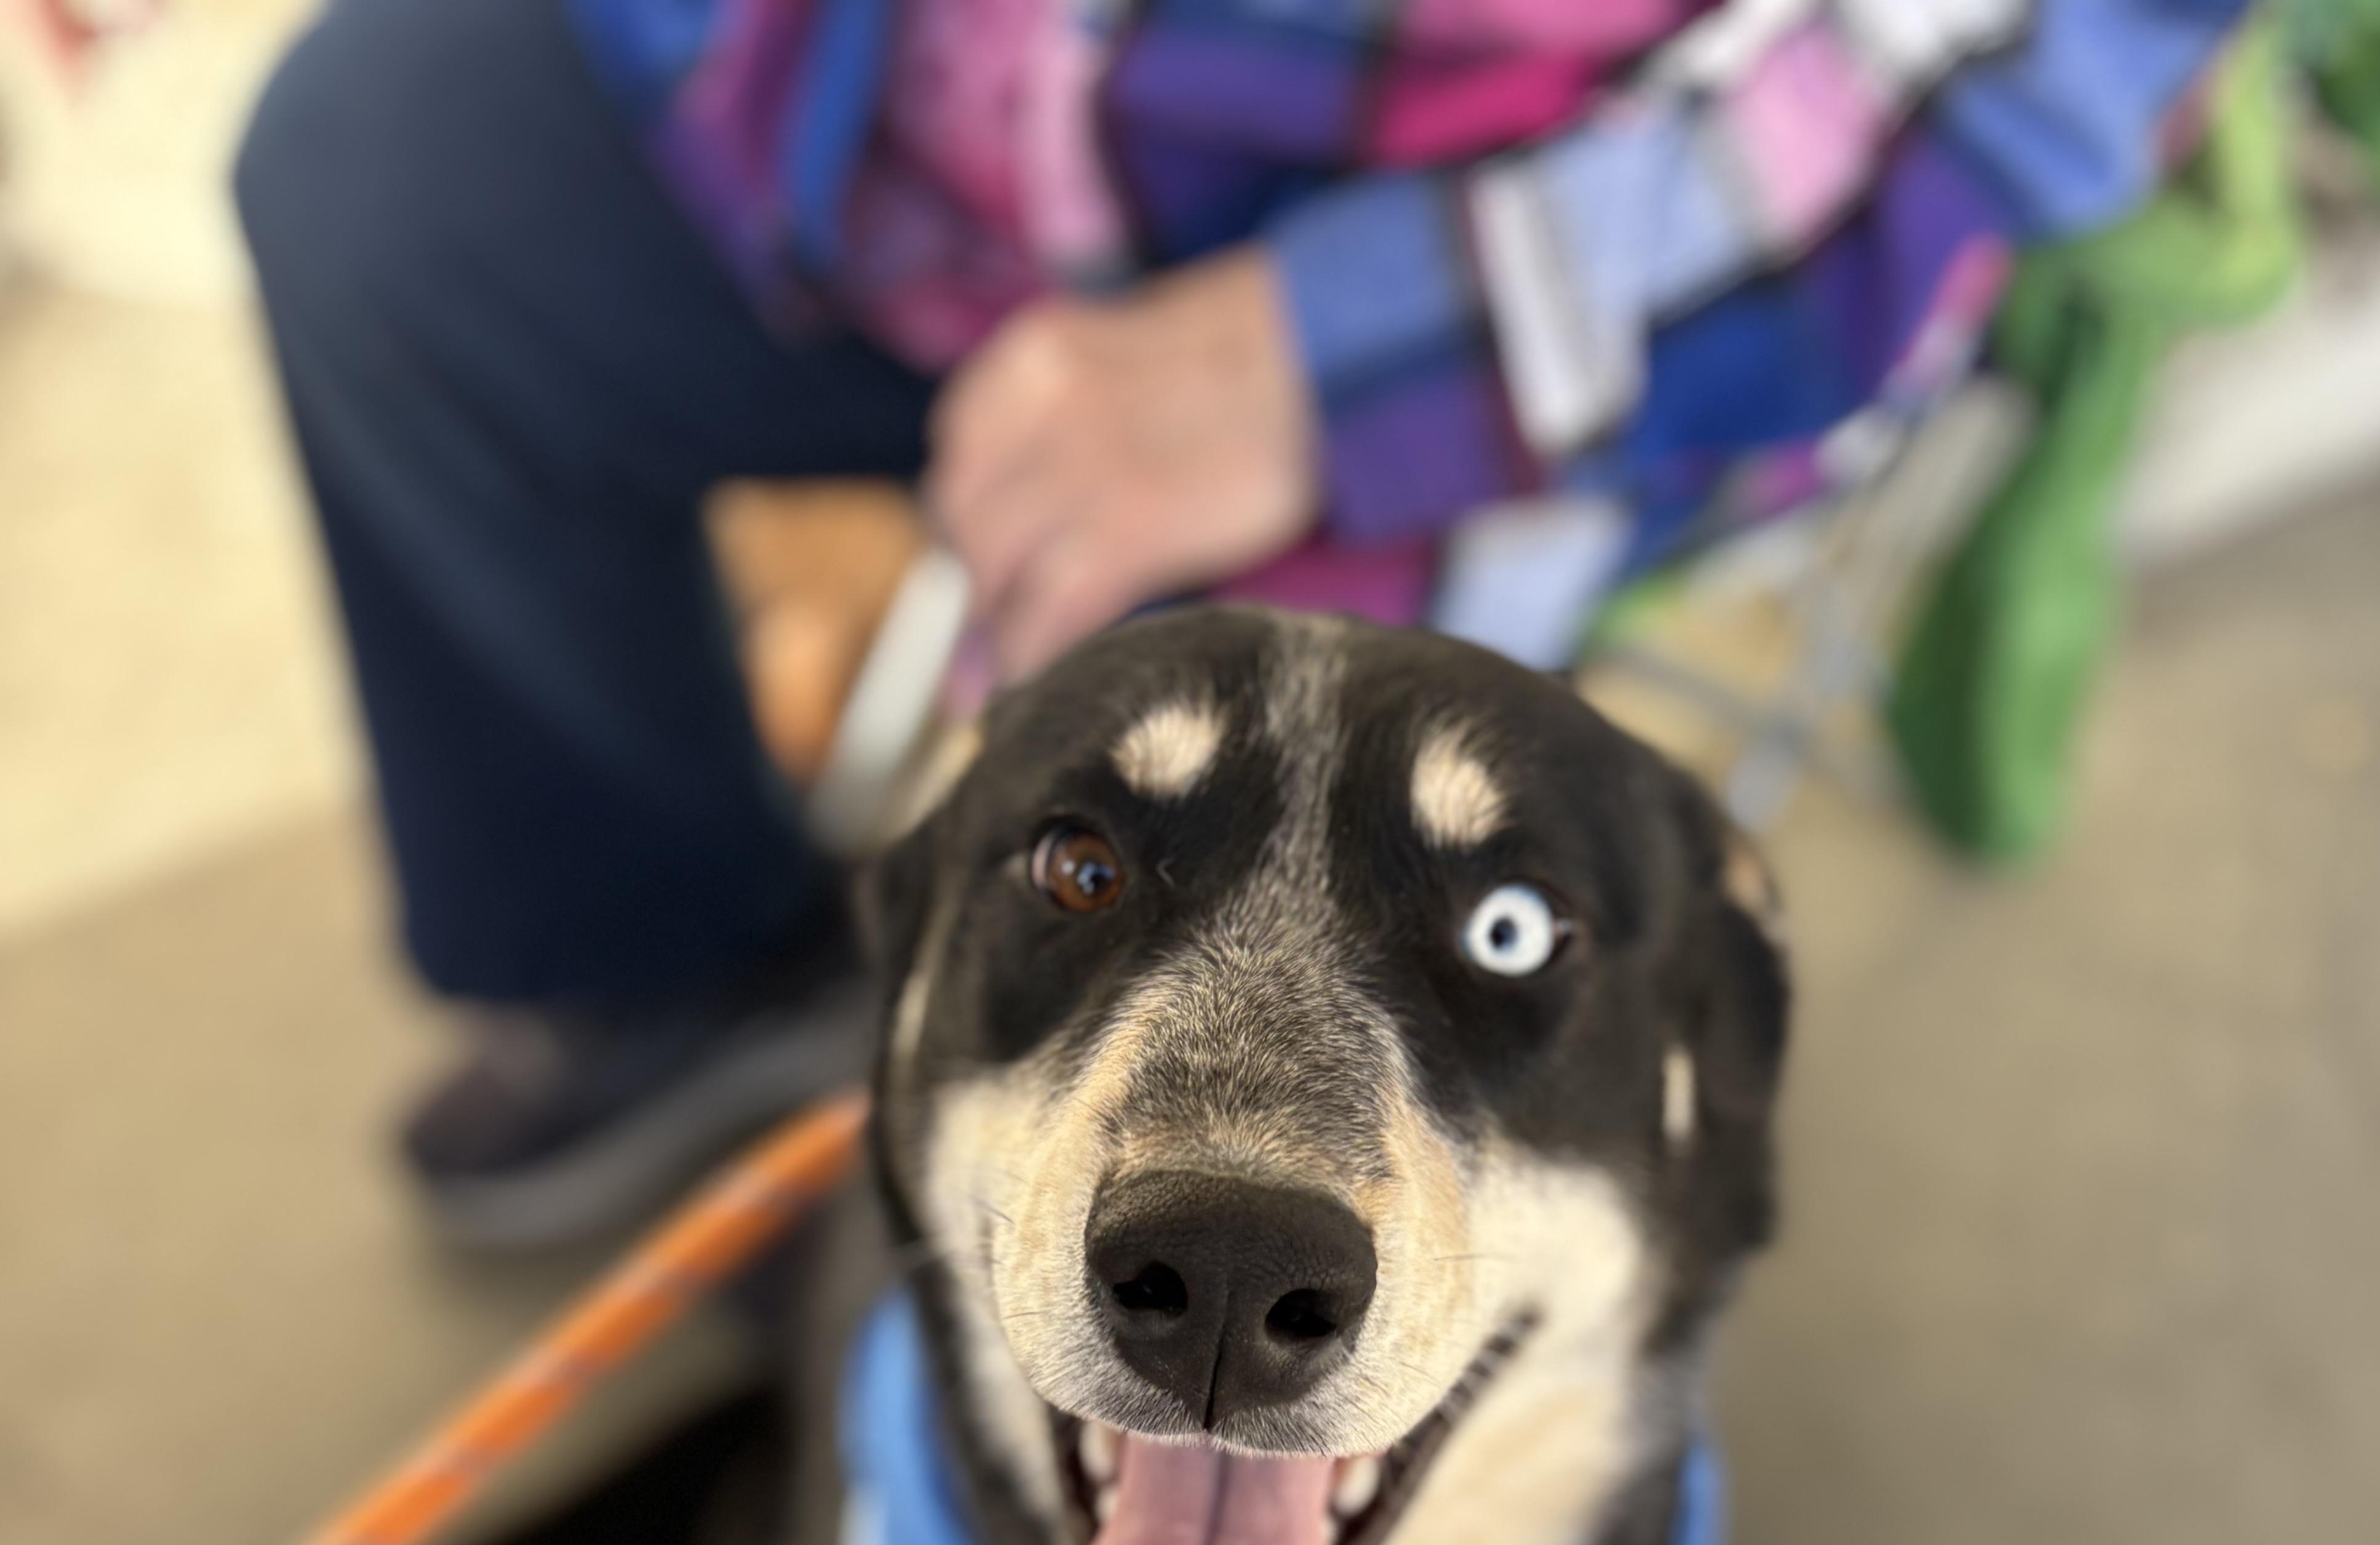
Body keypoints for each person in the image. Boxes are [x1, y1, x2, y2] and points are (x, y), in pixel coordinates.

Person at [234, 0, 2245, 1248]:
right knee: (377, 174)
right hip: (911, 89)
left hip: (1538, 269)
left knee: (1215, 1098)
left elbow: (2021, 45)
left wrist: (1339, 359)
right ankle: (674, 982)